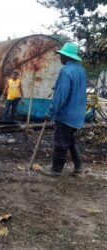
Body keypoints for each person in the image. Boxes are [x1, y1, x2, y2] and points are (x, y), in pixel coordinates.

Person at [40, 42, 87, 177]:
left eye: (61, 55)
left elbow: (61, 96)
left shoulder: (66, 71)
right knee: (71, 140)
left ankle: (56, 170)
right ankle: (78, 168)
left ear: (67, 57)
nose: (60, 58)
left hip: (66, 114)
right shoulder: (81, 70)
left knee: (61, 141)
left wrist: (50, 112)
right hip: (78, 113)